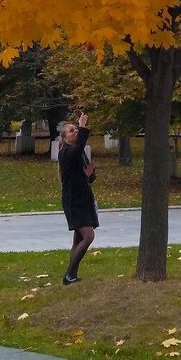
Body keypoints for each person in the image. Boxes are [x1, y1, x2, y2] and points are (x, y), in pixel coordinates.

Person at [58, 112, 98, 286]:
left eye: (76, 130)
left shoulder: (77, 154)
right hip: (74, 201)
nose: (75, 132)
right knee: (88, 236)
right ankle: (69, 275)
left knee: (78, 239)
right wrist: (82, 125)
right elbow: (79, 147)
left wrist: (89, 175)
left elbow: (85, 176)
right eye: (72, 131)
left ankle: (72, 275)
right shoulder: (66, 152)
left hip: (83, 198)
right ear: (65, 138)